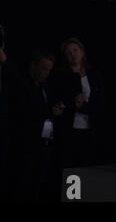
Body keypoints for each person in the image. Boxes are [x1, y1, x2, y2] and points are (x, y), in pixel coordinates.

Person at [10, 49, 65, 201]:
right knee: (23, 184)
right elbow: (23, 114)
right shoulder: (22, 85)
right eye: (44, 68)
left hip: (45, 143)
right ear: (33, 66)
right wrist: (49, 112)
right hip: (27, 145)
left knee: (38, 184)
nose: (47, 73)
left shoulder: (45, 87)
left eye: (49, 70)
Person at [55, 38, 105, 168]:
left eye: (75, 50)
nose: (73, 54)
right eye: (69, 52)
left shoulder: (94, 75)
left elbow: (100, 103)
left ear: (82, 52)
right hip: (70, 129)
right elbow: (60, 101)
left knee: (88, 165)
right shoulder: (61, 76)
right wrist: (73, 103)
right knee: (70, 166)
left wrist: (83, 106)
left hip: (90, 128)